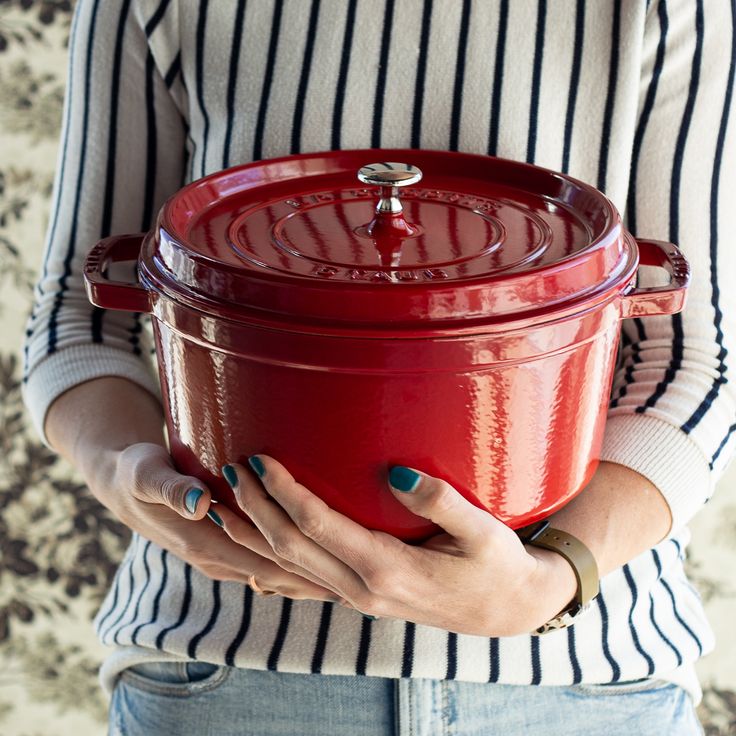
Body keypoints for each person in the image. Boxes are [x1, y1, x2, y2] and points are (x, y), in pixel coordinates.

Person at [22, 0, 735, 734]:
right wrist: (135, 482)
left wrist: (555, 577)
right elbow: (78, 320)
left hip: (581, 686)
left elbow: (696, 358)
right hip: (225, 674)